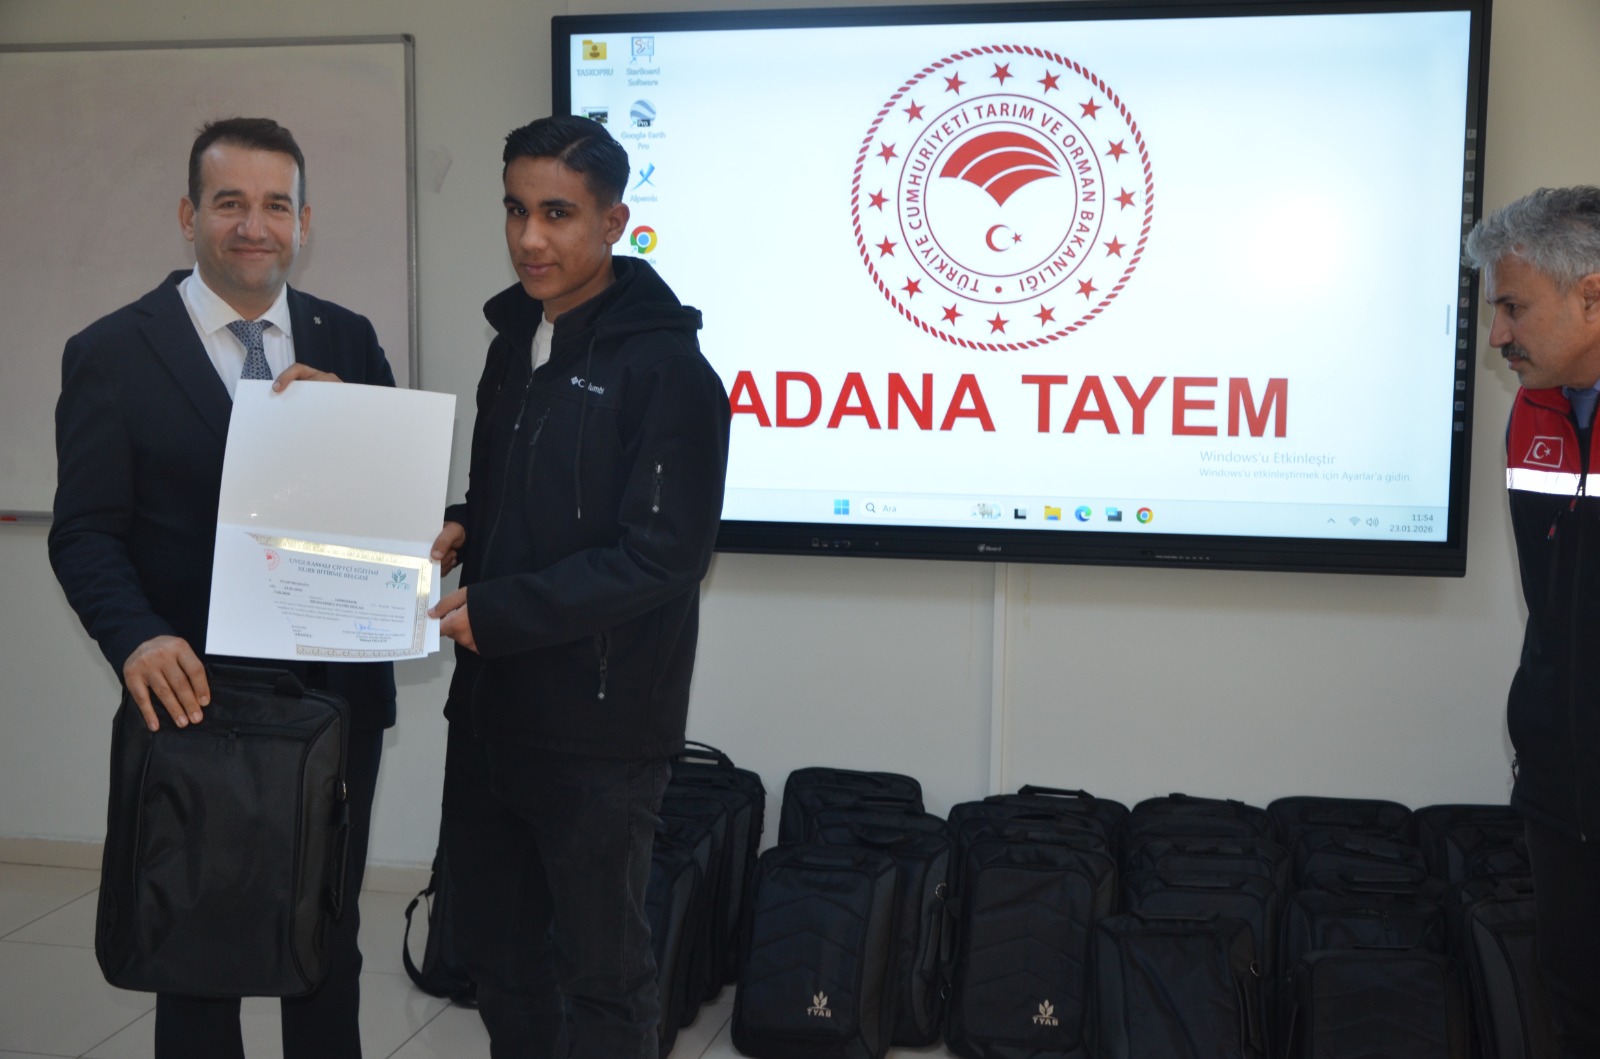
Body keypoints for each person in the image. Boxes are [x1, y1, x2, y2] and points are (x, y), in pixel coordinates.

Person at [48, 117, 397, 1059]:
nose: (254, 225)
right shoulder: (112, 352)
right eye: (229, 202)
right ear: (187, 214)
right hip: (196, 700)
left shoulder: (348, 339)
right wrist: (135, 637)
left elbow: (379, 526)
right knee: (196, 946)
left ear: (304, 222)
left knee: (326, 940)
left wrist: (356, 442)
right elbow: (84, 532)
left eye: (276, 204)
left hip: (332, 701)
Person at [427, 114, 730, 1058]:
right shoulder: (514, 342)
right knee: (499, 956)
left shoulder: (670, 370)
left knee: (603, 973)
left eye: (557, 213)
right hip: (491, 711)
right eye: (515, 210)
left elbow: (662, 555)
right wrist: (465, 524)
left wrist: (500, 608)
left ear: (614, 222)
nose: (530, 238)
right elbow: (515, 492)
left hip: (601, 733)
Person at [1465, 185, 1600, 1056]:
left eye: (1513, 307)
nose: (1497, 335)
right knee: (1574, 1009)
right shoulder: (1535, 410)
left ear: (1592, 295)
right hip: (1561, 793)